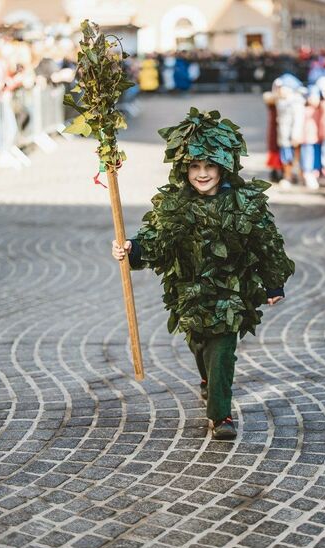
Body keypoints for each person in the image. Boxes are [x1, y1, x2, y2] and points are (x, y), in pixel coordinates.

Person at [112, 109, 295, 440]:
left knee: (223, 349)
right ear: (184, 169)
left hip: (232, 291)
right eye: (195, 167)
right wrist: (132, 249)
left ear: (223, 166)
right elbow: (154, 239)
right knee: (200, 344)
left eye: (209, 166)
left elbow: (266, 243)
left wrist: (272, 281)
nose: (202, 173)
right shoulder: (175, 205)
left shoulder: (244, 202)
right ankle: (209, 379)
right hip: (191, 291)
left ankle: (220, 415)